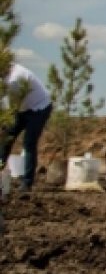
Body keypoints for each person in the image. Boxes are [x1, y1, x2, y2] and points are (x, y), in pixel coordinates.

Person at [1, 62, 53, 192]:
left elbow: (11, 107)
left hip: (39, 108)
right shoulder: (7, 72)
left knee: (29, 143)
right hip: (22, 108)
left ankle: (27, 183)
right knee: (6, 140)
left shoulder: (15, 78)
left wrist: (3, 125)